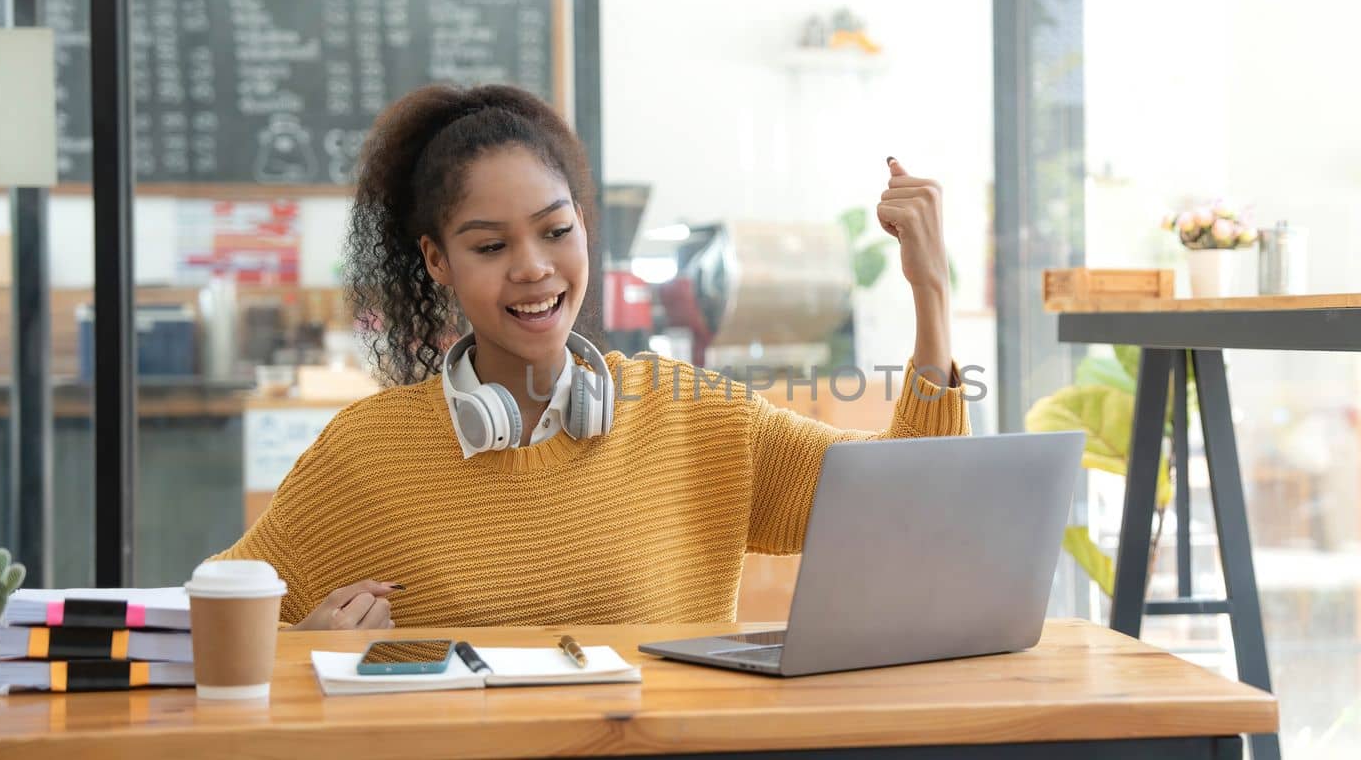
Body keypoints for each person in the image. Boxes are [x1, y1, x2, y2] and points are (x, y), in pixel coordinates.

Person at [214, 83, 970, 630]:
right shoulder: (366, 455)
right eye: (489, 245)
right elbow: (209, 618)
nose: (533, 267)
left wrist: (930, 292)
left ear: (584, 228)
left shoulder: (699, 419)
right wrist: (299, 656)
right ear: (437, 261)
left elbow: (913, 500)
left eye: (554, 230)